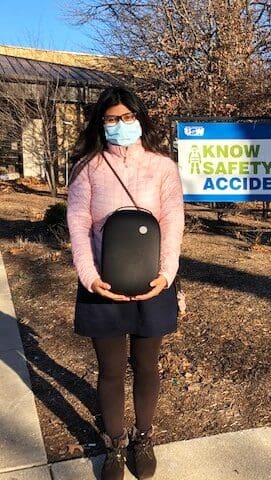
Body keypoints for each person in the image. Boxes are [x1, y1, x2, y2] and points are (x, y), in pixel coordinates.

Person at [67, 86, 184, 480]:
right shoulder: (88, 168)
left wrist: (166, 275)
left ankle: (143, 437)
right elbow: (79, 227)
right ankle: (114, 444)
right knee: (111, 370)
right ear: (102, 123)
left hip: (153, 281)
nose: (121, 125)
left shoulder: (163, 167)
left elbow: (172, 224)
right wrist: (90, 276)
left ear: (141, 120)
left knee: (147, 366)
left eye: (128, 117)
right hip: (102, 283)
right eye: (113, 118)